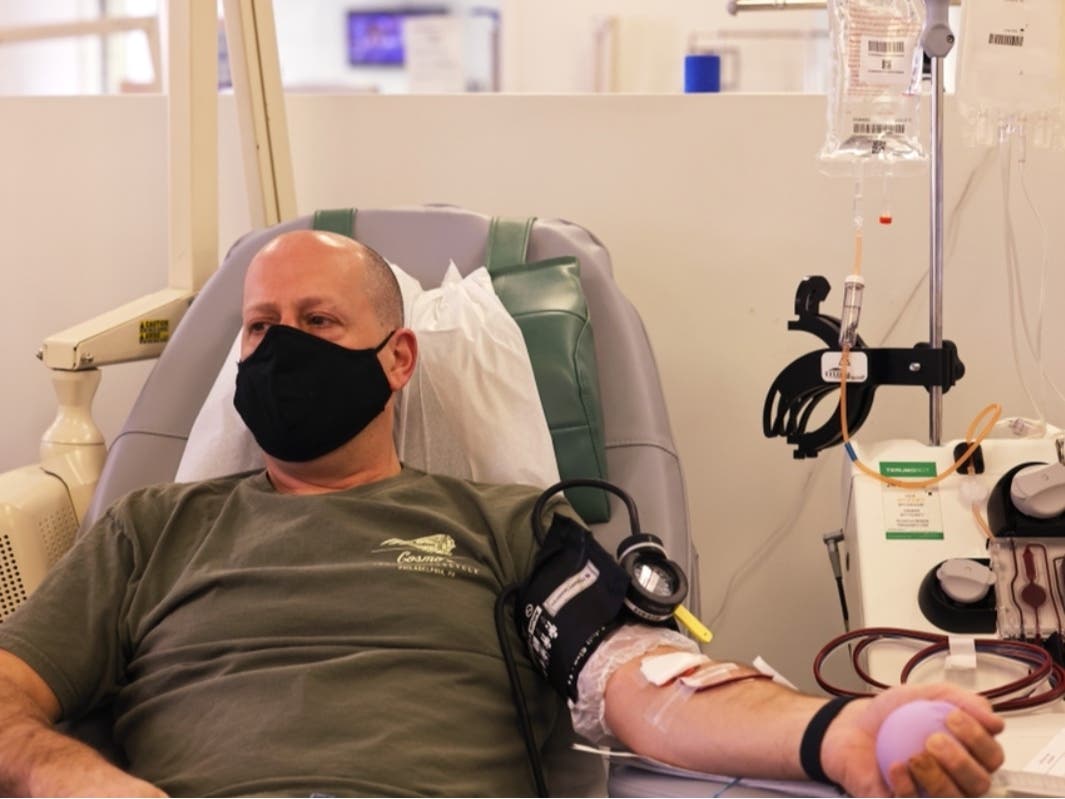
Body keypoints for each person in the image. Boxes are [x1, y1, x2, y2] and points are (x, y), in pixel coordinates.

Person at [0, 230, 1003, 797]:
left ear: (398, 358)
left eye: (318, 321)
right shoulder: (151, 531)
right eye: (261, 328)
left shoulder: (505, 527)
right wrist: (75, 779)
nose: (281, 346)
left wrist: (831, 730)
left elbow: (642, 680)